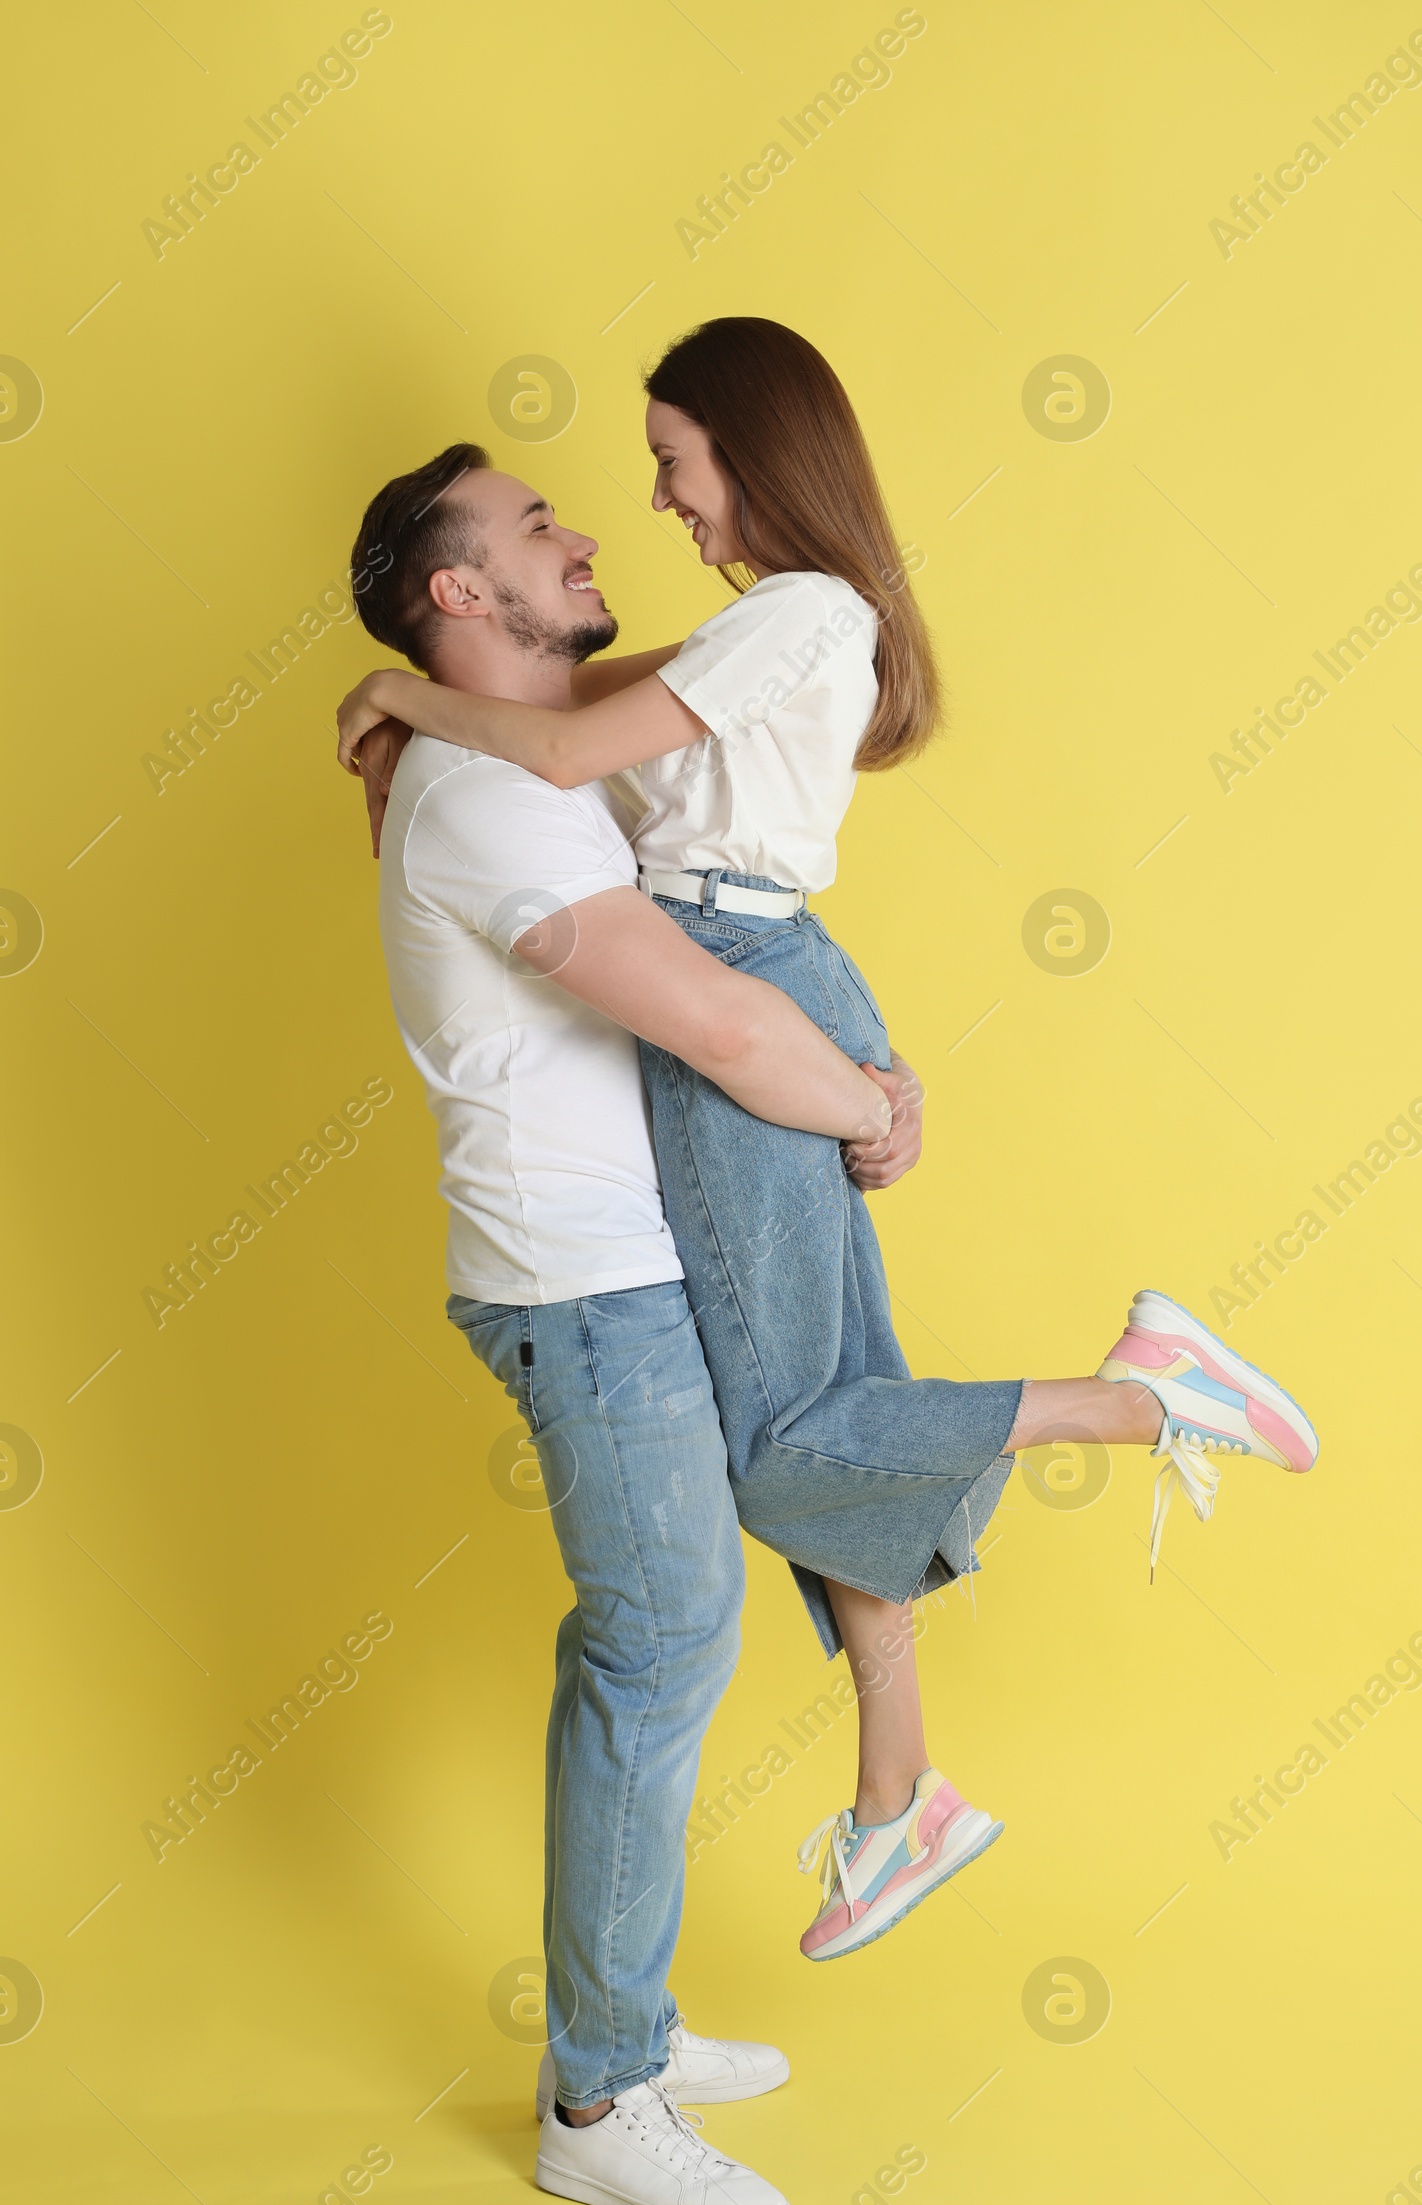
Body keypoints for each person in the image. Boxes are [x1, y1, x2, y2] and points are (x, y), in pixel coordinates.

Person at [341, 325, 1318, 1972]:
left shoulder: (799, 613)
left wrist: (400, 694)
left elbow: (571, 740)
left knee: (795, 1440)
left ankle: (1147, 1396)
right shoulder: (765, 628)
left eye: (672, 461)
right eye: (617, 484)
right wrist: (418, 703)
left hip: (742, 972)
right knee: (836, 1396)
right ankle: (898, 1797)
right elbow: (565, 696)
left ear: (754, 448)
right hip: (760, 960)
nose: (647, 502)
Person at [350, 445, 909, 2205]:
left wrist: (401, 689)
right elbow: (714, 1019)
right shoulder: (485, 798)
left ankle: (631, 2019)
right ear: (459, 591)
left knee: (671, 1638)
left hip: (622, 1268)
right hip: (579, 1291)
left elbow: (627, 693)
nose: (588, 528)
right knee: (659, 1649)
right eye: (535, 529)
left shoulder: (511, 752)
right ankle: (599, 2094)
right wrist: (870, 1107)